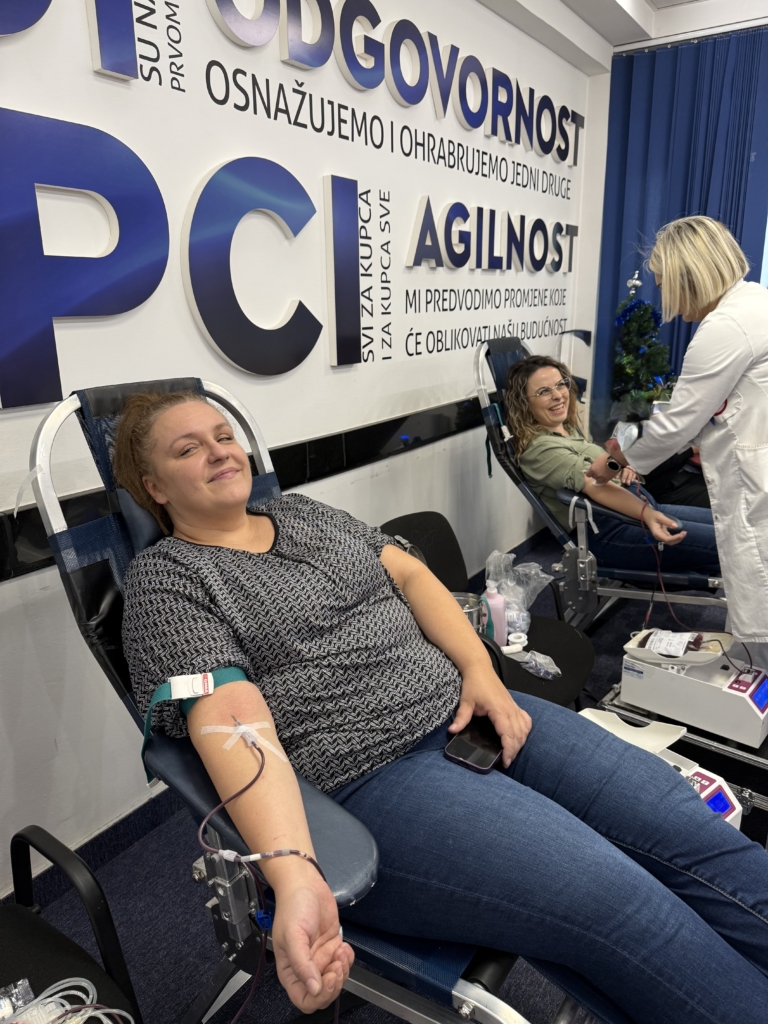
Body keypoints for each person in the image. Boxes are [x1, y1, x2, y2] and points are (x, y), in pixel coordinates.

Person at [115, 391, 768, 1024]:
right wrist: (293, 873)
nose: (219, 452)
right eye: (188, 449)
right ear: (154, 488)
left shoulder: (303, 513)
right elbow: (231, 715)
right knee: (615, 901)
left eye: (223, 436)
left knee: (681, 825)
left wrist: (481, 674)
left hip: (472, 710)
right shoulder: (168, 580)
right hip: (371, 778)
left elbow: (408, 573)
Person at [587, 216, 768, 667]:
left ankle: (752, 685)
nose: (663, 293)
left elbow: (676, 424)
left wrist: (613, 462)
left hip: (756, 482)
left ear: (691, 275)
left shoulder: (727, 326)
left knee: (759, 598)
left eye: (665, 281)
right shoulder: (755, 303)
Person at [504, 353, 720, 574]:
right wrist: (647, 515)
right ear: (524, 403)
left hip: (639, 507)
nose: (558, 395)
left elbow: (602, 467)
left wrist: (625, 466)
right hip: (611, 530)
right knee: (729, 541)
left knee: (731, 524)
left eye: (560, 384)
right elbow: (596, 487)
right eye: (543, 391)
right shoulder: (540, 450)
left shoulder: (567, 430)